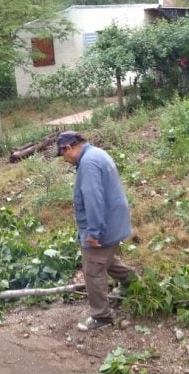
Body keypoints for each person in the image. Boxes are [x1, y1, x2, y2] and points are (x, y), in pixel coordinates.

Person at [56, 131, 136, 331]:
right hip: (114, 221)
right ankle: (132, 282)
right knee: (106, 261)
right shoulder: (97, 154)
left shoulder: (88, 164)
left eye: (63, 155)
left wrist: (93, 232)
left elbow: (94, 200)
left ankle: (102, 317)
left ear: (68, 148)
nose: (64, 160)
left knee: (92, 270)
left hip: (104, 225)